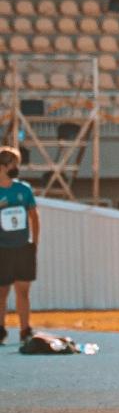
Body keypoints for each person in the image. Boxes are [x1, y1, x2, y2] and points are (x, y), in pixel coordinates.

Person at [0, 147, 40, 346]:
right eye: (13, 164)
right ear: (3, 166)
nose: (16, 168)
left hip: (22, 247)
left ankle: (25, 329)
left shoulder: (23, 189)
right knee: (2, 291)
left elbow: (33, 216)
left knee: (23, 290)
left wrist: (35, 242)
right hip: (2, 248)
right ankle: (0, 330)